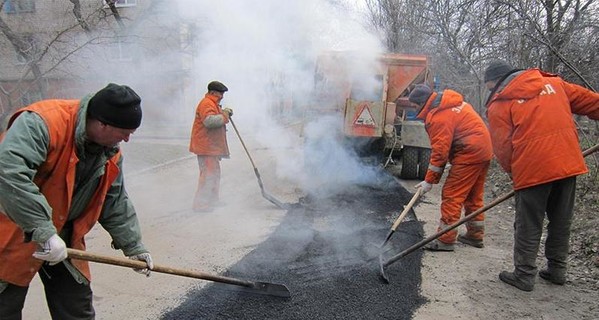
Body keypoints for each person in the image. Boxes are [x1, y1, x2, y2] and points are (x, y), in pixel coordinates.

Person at [0, 83, 154, 319]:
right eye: (125, 132)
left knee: (76, 308)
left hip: (63, 234)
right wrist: (44, 231)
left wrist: (133, 246)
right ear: (102, 123)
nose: (127, 139)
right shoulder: (43, 123)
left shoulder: (109, 151)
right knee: (5, 307)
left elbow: (113, 199)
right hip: (14, 226)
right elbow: (9, 174)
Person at [484, 60, 599, 291]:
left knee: (529, 223)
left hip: (532, 168)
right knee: (560, 220)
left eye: (489, 87)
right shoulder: (555, 84)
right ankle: (557, 270)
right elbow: (593, 103)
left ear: (496, 82)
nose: (490, 91)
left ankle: (524, 275)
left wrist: (513, 173)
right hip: (567, 163)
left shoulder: (500, 104)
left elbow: (503, 148)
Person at [408, 84, 493, 251]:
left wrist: (429, 181)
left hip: (469, 153)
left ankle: (445, 240)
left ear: (422, 102)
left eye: (414, 105)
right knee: (473, 195)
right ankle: (475, 235)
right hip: (484, 150)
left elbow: (440, 153)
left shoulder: (439, 117)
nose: (414, 109)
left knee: (452, 195)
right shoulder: (450, 104)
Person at [189, 80, 233, 212]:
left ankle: (212, 201)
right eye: (220, 93)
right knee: (208, 175)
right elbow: (209, 122)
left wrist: (224, 112)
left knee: (214, 174)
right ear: (212, 92)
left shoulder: (214, 104)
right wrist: (225, 116)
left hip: (211, 148)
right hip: (206, 147)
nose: (222, 96)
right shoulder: (206, 103)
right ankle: (200, 204)